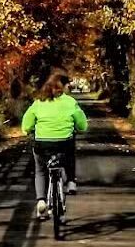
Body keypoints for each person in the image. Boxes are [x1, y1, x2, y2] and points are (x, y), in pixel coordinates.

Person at [21, 73, 88, 219]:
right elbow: (82, 126)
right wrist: (77, 128)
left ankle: (41, 201)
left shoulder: (39, 102)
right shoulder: (70, 102)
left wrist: (28, 130)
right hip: (64, 145)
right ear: (62, 87)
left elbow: (26, 125)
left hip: (42, 145)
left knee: (40, 170)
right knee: (70, 151)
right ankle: (70, 181)